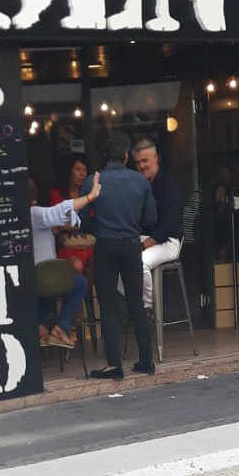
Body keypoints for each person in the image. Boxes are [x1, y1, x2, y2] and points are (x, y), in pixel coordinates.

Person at [80, 131, 157, 379]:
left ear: (106, 155)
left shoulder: (93, 180)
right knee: (136, 302)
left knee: (109, 304)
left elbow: (81, 221)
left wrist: (99, 227)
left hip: (105, 245)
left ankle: (114, 365)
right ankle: (146, 361)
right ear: (126, 155)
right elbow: (151, 219)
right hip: (131, 245)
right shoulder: (141, 182)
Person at [30, 174, 98, 348]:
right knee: (80, 283)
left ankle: (39, 325)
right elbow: (60, 211)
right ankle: (62, 327)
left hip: (31, 279)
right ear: (34, 199)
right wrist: (90, 197)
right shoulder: (34, 213)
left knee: (50, 290)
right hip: (43, 278)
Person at [133, 138, 182, 310]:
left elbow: (169, 223)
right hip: (145, 239)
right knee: (120, 259)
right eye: (138, 162)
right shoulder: (139, 185)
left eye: (145, 160)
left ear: (156, 158)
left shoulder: (168, 184)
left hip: (168, 242)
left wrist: (145, 244)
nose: (142, 166)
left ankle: (146, 309)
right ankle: (133, 304)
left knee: (139, 262)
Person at [49, 155, 96, 277]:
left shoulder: (89, 195)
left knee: (98, 263)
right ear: (69, 171)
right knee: (77, 265)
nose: (82, 174)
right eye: (78, 169)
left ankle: (91, 296)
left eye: (84, 170)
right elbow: (53, 224)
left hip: (88, 242)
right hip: (67, 244)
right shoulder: (56, 194)